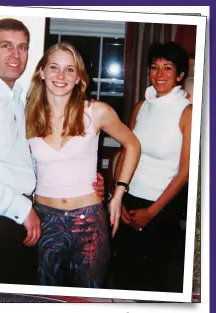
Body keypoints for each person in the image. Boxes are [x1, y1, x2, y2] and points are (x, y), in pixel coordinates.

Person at [0, 19, 104, 285]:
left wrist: (84, 179)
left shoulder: (16, 100)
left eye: (22, 47)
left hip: (8, 222)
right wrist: (23, 208)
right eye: (6, 46)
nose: (15, 55)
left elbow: (23, 160)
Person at [25, 42, 141, 288]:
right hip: (43, 221)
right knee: (45, 298)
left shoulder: (96, 112)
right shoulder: (26, 115)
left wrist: (117, 194)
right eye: (54, 67)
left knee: (90, 297)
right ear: (42, 72)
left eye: (69, 69)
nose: (61, 75)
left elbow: (132, 145)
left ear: (78, 77)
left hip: (89, 222)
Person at [111, 42, 191, 292]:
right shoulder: (142, 106)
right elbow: (126, 152)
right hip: (129, 200)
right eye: (155, 67)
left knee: (150, 282)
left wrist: (152, 212)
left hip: (161, 210)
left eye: (168, 68)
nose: (159, 74)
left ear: (179, 76)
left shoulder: (187, 113)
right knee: (120, 276)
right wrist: (118, 196)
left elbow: (185, 171)